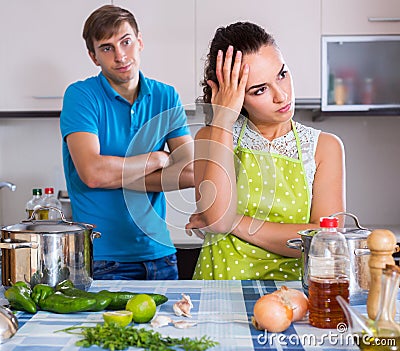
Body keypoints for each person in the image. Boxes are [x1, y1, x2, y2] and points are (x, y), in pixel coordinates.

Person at [185, 22, 346, 280]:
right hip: (219, 291)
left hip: (292, 295)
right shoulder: (211, 136)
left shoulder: (324, 147)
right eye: (260, 89)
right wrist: (223, 119)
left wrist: (234, 222)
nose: (281, 95)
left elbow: (323, 241)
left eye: (282, 74)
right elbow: (216, 219)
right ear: (233, 96)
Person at [60, 5, 194, 280]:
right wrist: (156, 160)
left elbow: (190, 171)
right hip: (103, 259)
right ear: (93, 56)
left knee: (168, 325)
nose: (120, 55)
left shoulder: (165, 96)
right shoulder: (81, 96)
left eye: (126, 42)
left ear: (139, 41)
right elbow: (93, 174)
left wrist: (117, 173)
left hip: (161, 254)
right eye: (107, 48)